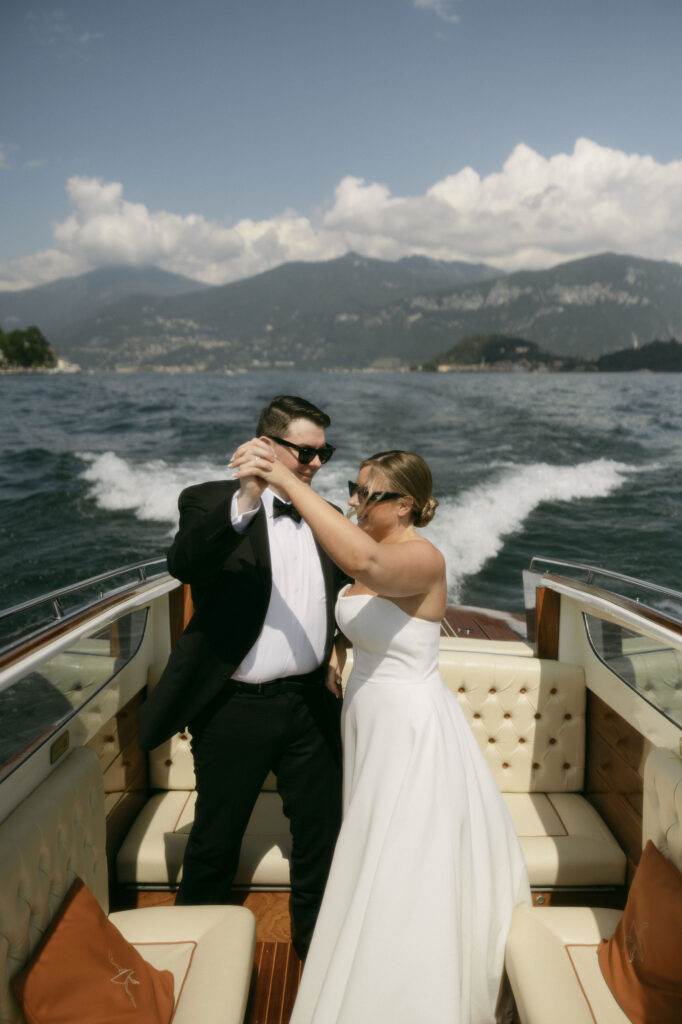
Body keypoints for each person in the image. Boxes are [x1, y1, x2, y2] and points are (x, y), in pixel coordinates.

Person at [231, 443, 531, 1023]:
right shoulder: (376, 541)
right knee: (369, 845)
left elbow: (364, 569)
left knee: (402, 860)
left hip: (410, 728)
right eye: (356, 489)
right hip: (366, 717)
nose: (357, 502)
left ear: (408, 506)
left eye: (371, 495)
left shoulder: (423, 559)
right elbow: (368, 612)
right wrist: (341, 651)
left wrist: (289, 482)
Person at [138, 395, 348, 958]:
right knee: (214, 841)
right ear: (266, 445)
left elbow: (353, 586)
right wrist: (248, 496)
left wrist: (339, 645)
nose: (316, 463)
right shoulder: (209, 500)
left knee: (321, 840)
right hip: (234, 708)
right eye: (305, 451)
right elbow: (186, 563)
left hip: (311, 705)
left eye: (324, 451)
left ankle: (317, 959)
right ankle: (190, 959)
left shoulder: (326, 513)